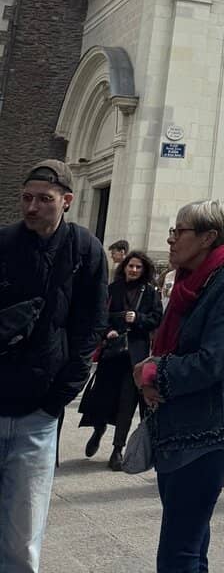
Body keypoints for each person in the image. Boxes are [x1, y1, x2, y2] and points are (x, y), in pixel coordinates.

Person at [133, 200, 224, 573]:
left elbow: (215, 361)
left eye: (179, 231)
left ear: (208, 237)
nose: (170, 240)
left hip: (207, 432)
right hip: (179, 425)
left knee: (177, 552)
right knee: (189, 543)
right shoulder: (190, 281)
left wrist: (154, 372)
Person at [0, 159, 107, 572]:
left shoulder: (86, 249)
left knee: (23, 532)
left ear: (66, 201)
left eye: (44, 199)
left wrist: (58, 397)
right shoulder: (4, 243)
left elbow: (91, 326)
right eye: (26, 198)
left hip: (38, 414)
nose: (32, 207)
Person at [79, 250, 163, 469]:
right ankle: (98, 430)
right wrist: (108, 331)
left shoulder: (150, 293)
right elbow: (99, 316)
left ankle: (118, 449)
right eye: (130, 266)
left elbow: (156, 319)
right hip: (112, 353)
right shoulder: (112, 290)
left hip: (135, 356)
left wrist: (139, 318)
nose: (133, 270)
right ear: (124, 267)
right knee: (104, 398)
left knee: (128, 402)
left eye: (138, 267)